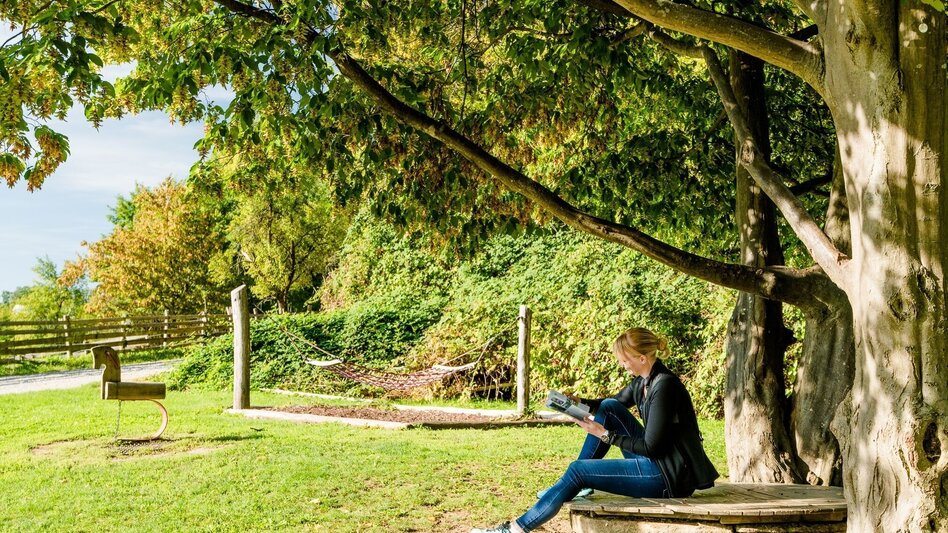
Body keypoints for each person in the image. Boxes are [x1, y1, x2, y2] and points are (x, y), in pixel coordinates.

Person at [470, 327, 719, 533]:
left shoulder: (664, 387)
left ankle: (514, 529)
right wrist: (576, 403)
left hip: (667, 477)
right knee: (610, 407)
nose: (622, 365)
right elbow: (612, 403)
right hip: (659, 463)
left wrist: (605, 435)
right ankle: (577, 485)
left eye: (625, 360)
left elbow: (652, 447)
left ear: (642, 358)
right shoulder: (644, 381)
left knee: (578, 470)